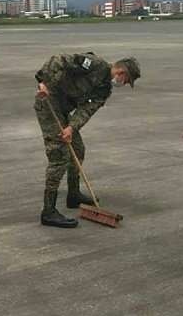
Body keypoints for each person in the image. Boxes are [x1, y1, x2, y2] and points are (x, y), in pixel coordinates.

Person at [35, 53, 140, 228]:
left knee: (78, 149)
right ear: (121, 72)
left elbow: (86, 110)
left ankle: (73, 195)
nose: (124, 84)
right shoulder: (94, 64)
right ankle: (48, 211)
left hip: (64, 111)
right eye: (126, 80)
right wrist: (43, 81)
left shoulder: (104, 90)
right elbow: (59, 60)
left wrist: (71, 128)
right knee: (59, 155)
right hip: (48, 103)